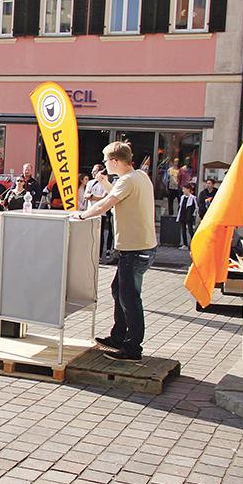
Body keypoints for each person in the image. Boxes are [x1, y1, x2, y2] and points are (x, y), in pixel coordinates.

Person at [75, 141, 157, 361]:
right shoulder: (138, 176)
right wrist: (104, 181)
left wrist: (80, 215)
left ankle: (133, 349)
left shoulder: (128, 180)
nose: (103, 164)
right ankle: (118, 337)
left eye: (105, 160)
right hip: (141, 248)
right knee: (118, 290)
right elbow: (120, 195)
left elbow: (105, 204)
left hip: (135, 249)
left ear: (114, 161)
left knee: (130, 299)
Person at [85, 163, 112, 258]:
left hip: (101, 213)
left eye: (95, 171)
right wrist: (93, 197)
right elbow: (87, 195)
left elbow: (104, 197)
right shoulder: (90, 183)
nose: (93, 173)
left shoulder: (106, 183)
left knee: (99, 235)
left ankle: (99, 255)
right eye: (92, 171)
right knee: (89, 233)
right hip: (90, 211)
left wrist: (93, 197)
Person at [177, 183, 198, 250]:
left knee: (190, 230)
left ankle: (193, 244)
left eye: (184, 189)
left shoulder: (193, 198)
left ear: (188, 190)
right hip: (182, 214)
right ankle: (185, 244)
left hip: (189, 216)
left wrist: (193, 214)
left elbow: (196, 207)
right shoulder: (182, 197)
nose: (183, 190)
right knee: (183, 230)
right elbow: (180, 206)